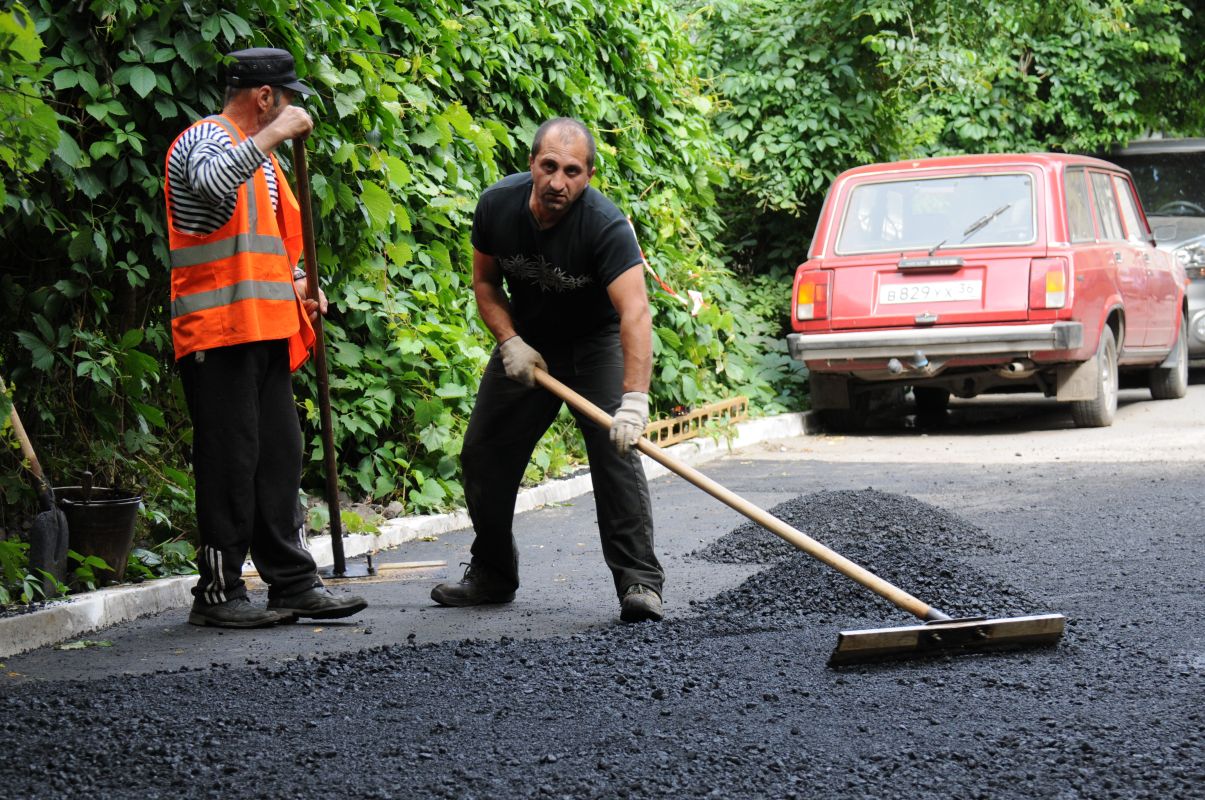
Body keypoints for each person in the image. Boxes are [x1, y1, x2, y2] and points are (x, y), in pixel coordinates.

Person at [430, 117, 664, 622]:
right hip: (530, 343)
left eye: (572, 171)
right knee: (483, 453)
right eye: (550, 166)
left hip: (595, 345)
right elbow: (485, 283)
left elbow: (635, 312)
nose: (558, 182)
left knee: (616, 453)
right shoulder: (497, 206)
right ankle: (493, 573)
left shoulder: (605, 226)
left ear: (589, 176)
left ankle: (640, 582)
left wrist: (634, 400)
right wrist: (510, 341)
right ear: (532, 163)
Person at [164, 47, 366, 628]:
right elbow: (210, 185)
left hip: (266, 329)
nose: (294, 109)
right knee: (230, 462)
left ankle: (293, 584)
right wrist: (274, 134)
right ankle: (218, 593)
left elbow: (267, 247)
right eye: (289, 99)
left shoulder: (264, 165)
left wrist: (299, 284)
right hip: (219, 333)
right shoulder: (204, 138)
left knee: (279, 455)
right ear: (265, 97)